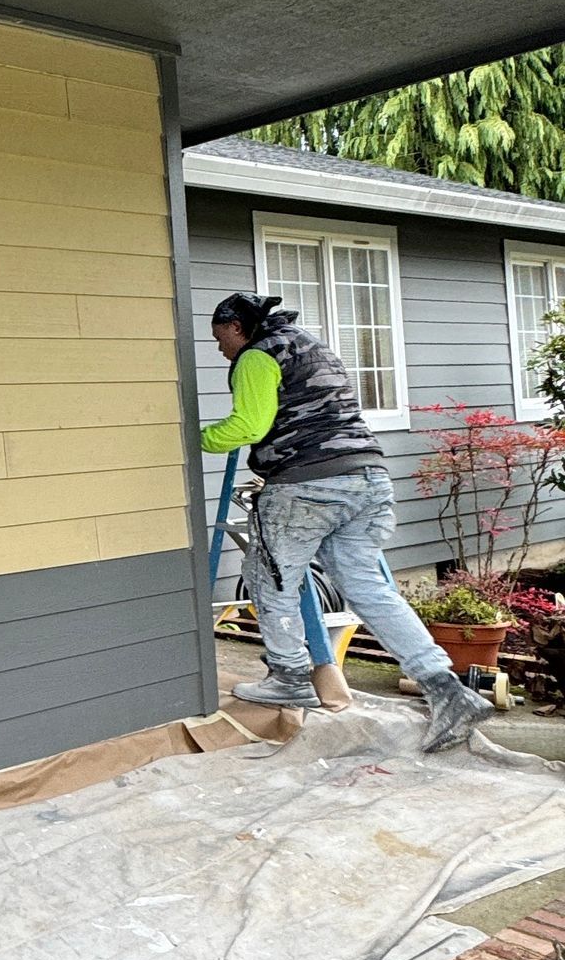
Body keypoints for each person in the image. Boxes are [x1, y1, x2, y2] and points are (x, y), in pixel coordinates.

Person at [201, 291, 490, 751]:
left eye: (220, 338)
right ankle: (445, 688)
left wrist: (190, 437)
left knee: (270, 578)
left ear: (238, 327)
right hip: (369, 479)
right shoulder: (313, 346)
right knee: (370, 588)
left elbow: (248, 428)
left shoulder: (258, 356)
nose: (220, 349)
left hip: (306, 485)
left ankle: (289, 677)